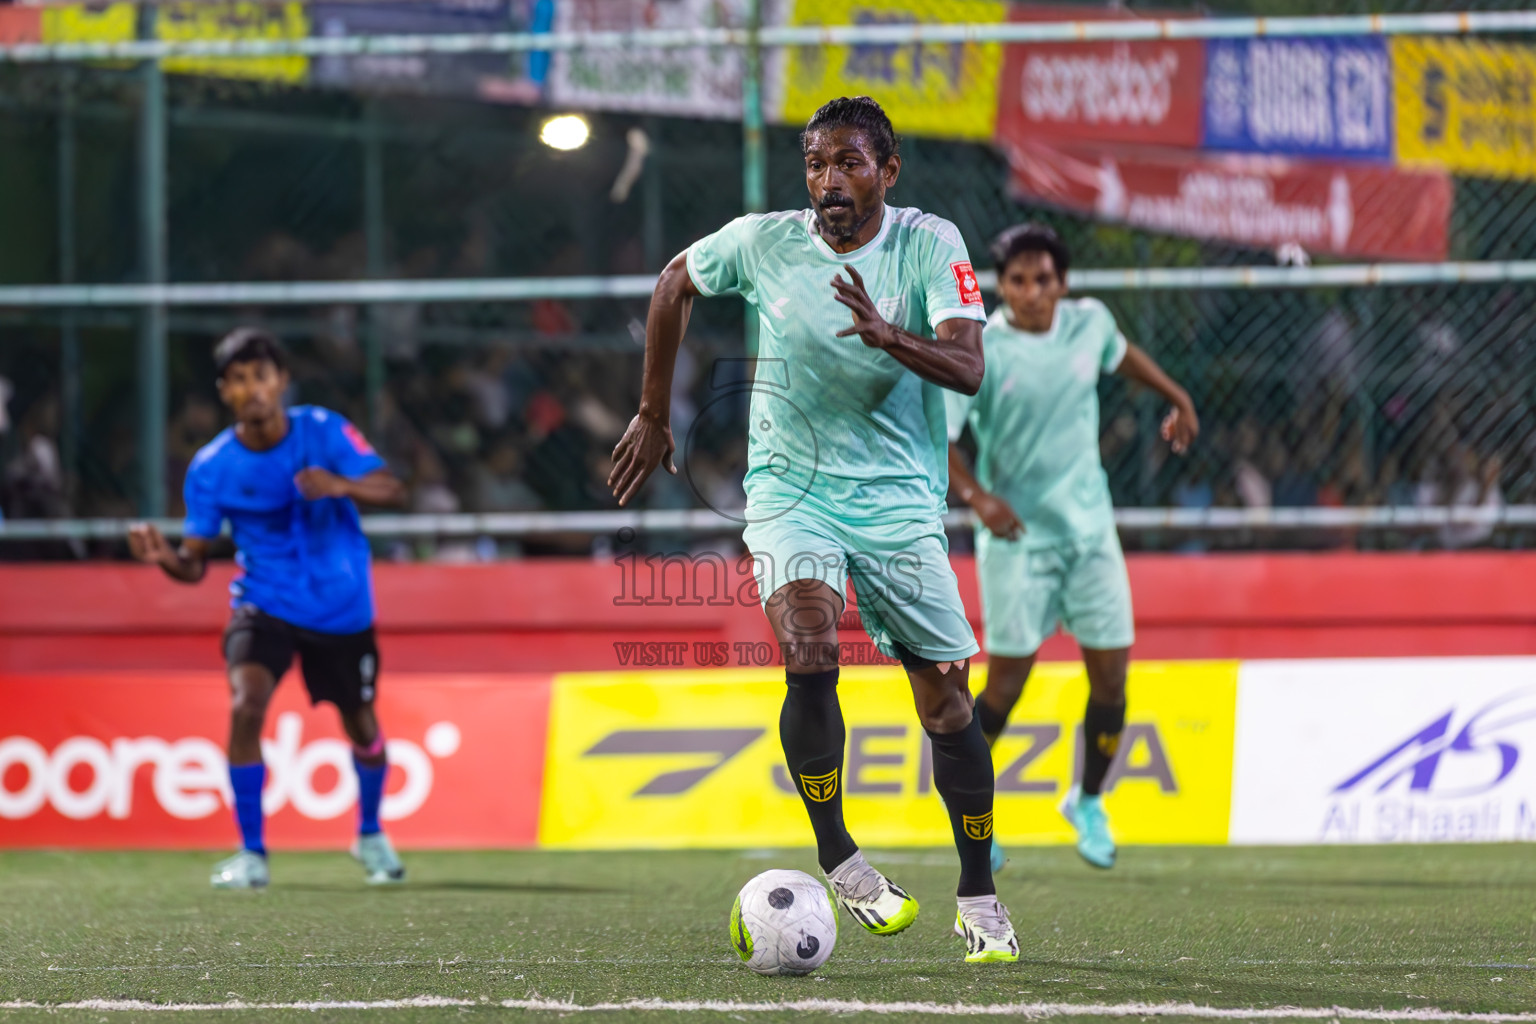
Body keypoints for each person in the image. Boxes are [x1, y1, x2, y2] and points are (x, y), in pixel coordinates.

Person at [607, 96, 1017, 963]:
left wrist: (887, 334)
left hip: (901, 500)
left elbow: (968, 367)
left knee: (945, 697)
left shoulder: (930, 243)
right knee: (808, 642)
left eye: (849, 164)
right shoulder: (765, 241)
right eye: (817, 164)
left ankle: (979, 898)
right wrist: (652, 411)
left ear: (887, 171)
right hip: (793, 492)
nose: (830, 182)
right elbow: (675, 279)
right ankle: (842, 859)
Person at [946, 224, 1198, 872]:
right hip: (1016, 541)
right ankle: (974, 812)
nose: (1032, 292)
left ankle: (1087, 800)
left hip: (1090, 533)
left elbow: (1123, 355)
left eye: (1044, 280)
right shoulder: (980, 348)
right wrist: (979, 498)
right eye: (1019, 280)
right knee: (1005, 685)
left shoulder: (1090, 323)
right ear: (1001, 285)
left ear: (1062, 283)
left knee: (1112, 676)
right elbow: (937, 440)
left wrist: (1176, 396)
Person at [127, 329, 409, 890]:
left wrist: (338, 484)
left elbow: (392, 488)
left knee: (361, 724)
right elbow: (193, 564)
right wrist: (164, 557)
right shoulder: (211, 468)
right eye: (238, 379)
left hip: (340, 607)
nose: (251, 389)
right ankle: (252, 854)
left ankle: (371, 832)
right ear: (224, 391)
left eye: (261, 375)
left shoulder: (323, 430)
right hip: (265, 602)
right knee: (246, 702)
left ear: (280, 382)